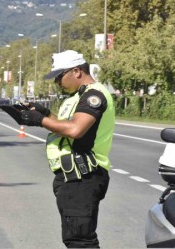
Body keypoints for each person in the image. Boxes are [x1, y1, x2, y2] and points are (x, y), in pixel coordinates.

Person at [20, 50, 115, 248]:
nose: (57, 82)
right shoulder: (75, 97)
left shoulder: (94, 95)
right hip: (72, 176)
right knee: (75, 239)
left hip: (83, 176)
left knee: (81, 241)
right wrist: (44, 113)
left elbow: (75, 130)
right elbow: (66, 124)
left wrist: (40, 120)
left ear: (77, 71)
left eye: (59, 76)